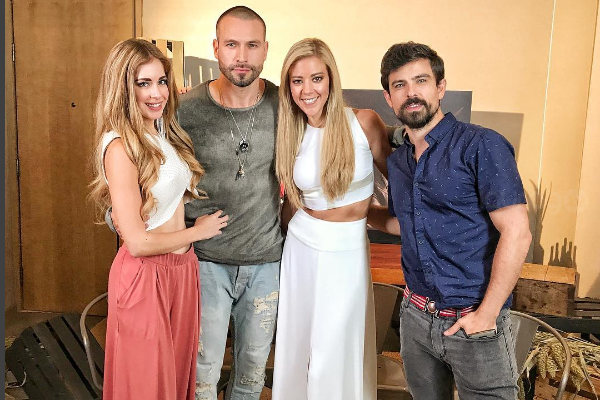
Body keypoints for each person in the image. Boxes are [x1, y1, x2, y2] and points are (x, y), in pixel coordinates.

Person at [370, 41, 532, 400]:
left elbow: (517, 232)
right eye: (400, 85)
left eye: (421, 81)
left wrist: (487, 315)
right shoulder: (399, 162)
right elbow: (403, 224)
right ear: (389, 97)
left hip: (474, 322)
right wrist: (355, 212)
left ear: (440, 87)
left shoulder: (482, 145)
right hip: (415, 319)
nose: (411, 93)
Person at [90, 39, 228, 400]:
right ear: (123, 88)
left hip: (182, 271)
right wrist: (197, 232)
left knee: (176, 380)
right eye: (143, 83)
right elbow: (137, 243)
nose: (157, 93)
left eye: (161, 81)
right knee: (148, 387)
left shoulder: (158, 131)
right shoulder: (120, 146)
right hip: (146, 275)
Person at [271, 38, 392, 400]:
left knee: (336, 349)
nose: (307, 90)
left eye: (316, 78)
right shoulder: (291, 131)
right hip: (301, 246)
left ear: (331, 79)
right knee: (296, 346)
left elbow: (402, 188)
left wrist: (376, 219)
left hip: (347, 249)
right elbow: (292, 204)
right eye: (297, 81)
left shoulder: (364, 123)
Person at [177, 6, 284, 400]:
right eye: (232, 44)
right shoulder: (186, 109)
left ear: (265, 49)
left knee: (252, 375)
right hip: (205, 262)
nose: (242, 56)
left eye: (252, 45)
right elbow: (154, 169)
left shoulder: (284, 104)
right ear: (216, 48)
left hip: (265, 262)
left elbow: (338, 123)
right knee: (202, 375)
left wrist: (397, 135)